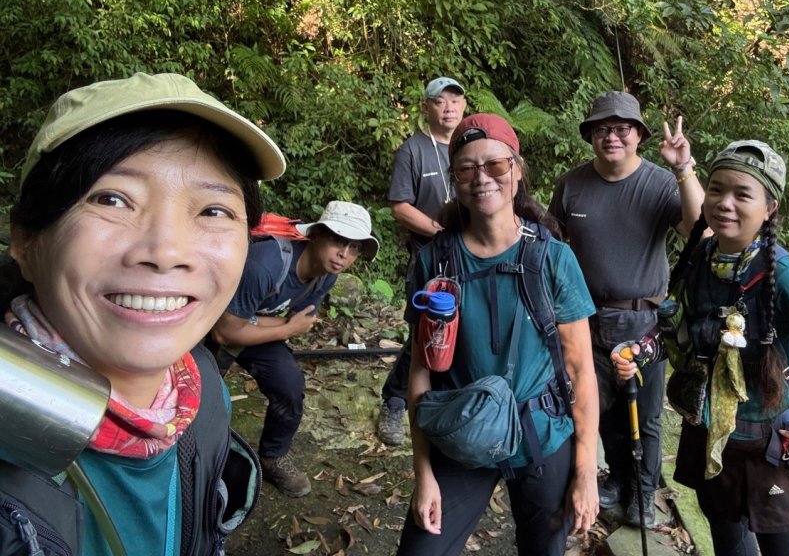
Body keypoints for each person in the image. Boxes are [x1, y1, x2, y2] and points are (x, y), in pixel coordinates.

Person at [1, 71, 284, 556]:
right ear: (26, 241)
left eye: (213, 210)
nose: (167, 252)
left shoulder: (203, 392)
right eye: (111, 199)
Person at [612, 138, 789, 555]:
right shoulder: (700, 258)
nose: (724, 203)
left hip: (774, 449)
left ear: (769, 208)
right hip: (714, 442)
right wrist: (641, 351)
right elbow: (680, 330)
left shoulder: (783, 277)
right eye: (716, 189)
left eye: (742, 194)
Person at [396, 114, 599, 556]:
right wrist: (423, 474)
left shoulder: (552, 259)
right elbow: (420, 372)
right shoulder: (435, 262)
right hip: (460, 430)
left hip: (541, 433)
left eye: (495, 165)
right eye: (466, 169)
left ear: (517, 170)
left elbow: (580, 370)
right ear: (454, 179)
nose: (482, 178)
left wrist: (585, 473)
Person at [547, 92, 699, 527]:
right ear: (590, 135)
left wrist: (684, 169)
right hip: (584, 317)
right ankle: (616, 477)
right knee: (595, 405)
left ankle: (643, 493)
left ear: (638, 135)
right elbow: (552, 244)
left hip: (643, 321)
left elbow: (698, 231)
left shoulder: (659, 183)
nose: (611, 136)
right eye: (601, 128)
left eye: (621, 128)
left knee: (645, 415)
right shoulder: (572, 184)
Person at [210, 200, 379, 497]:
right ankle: (199, 457)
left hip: (249, 327)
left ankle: (273, 456)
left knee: (289, 385)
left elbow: (300, 319)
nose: (344, 254)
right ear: (316, 235)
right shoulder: (267, 264)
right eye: (338, 241)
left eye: (354, 248)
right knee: (204, 399)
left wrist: (261, 325)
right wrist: (285, 329)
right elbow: (224, 332)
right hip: (209, 325)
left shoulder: (327, 274)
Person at [378, 76, 468, 445]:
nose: (449, 108)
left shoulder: (468, 146)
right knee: (424, 327)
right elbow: (400, 206)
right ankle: (395, 400)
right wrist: (438, 231)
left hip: (468, 249)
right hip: (428, 253)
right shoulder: (413, 150)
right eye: (440, 101)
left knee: (463, 323)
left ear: (464, 106)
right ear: (426, 107)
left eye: (455, 101)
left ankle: (451, 395)